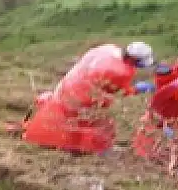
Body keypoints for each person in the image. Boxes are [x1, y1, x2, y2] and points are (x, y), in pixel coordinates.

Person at [21, 41, 155, 155]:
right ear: (135, 60)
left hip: (66, 87)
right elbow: (120, 91)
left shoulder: (108, 49)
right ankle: (94, 150)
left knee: (64, 114)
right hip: (82, 100)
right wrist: (136, 89)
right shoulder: (122, 72)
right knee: (101, 125)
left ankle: (50, 136)